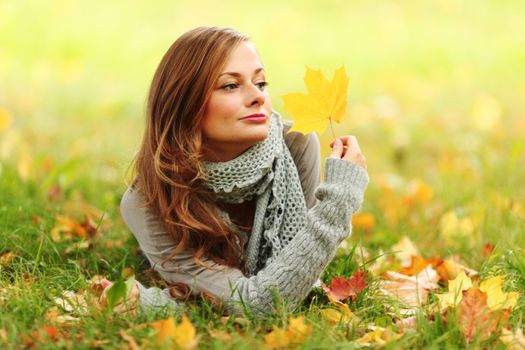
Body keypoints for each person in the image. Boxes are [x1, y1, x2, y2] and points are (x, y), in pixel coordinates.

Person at [102, 26, 369, 316]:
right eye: (230, 85)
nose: (258, 97)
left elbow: (292, 278)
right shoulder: (148, 203)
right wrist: (336, 205)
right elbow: (258, 305)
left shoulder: (295, 144)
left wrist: (164, 306)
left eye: (261, 83)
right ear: (184, 105)